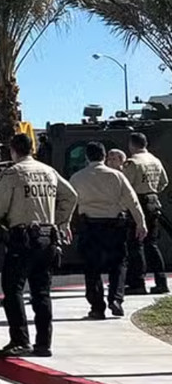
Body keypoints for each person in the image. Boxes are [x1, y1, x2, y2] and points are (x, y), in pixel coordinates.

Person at [0, 132, 78, 357]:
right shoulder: (49, 172)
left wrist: (1, 224)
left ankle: (20, 340)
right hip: (48, 237)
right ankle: (44, 343)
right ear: (32, 149)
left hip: (22, 239)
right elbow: (71, 195)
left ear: (13, 150)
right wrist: (61, 221)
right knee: (41, 293)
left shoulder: (12, 174)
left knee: (13, 290)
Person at [70, 141, 145, 319]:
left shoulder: (77, 177)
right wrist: (141, 223)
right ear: (104, 156)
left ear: (87, 157)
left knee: (91, 267)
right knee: (119, 263)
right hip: (115, 225)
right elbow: (132, 201)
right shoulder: (117, 176)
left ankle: (97, 306)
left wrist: (65, 225)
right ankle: (116, 298)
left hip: (89, 226)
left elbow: (70, 203)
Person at [123, 132, 169, 295]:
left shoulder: (132, 162)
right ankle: (161, 281)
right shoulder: (155, 161)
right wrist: (153, 190)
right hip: (153, 201)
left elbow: (125, 186)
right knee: (152, 244)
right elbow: (164, 182)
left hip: (138, 202)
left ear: (132, 145)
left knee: (135, 244)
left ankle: (137, 283)